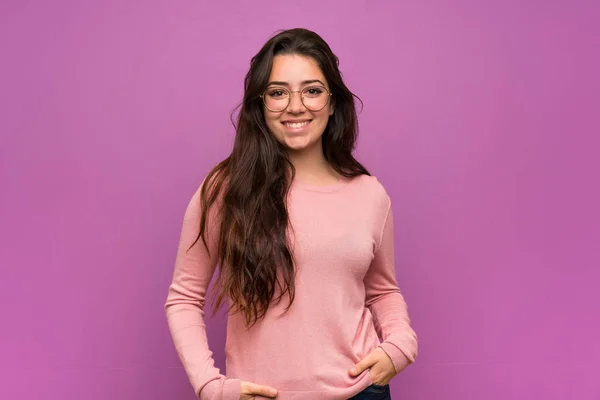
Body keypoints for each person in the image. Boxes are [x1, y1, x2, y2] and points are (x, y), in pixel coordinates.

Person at [164, 28, 418, 400]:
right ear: (260, 104)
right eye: (278, 92)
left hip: (361, 393)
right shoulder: (225, 188)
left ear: (333, 103)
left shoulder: (370, 194)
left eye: (312, 91)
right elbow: (184, 297)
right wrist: (210, 386)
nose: (295, 106)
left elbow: (382, 290)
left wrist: (400, 344)